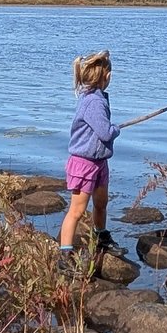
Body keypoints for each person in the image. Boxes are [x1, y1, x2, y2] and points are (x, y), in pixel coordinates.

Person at [56, 51, 119, 265]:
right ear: (105, 76)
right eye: (110, 73)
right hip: (84, 163)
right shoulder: (94, 102)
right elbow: (105, 132)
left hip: (99, 161)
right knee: (77, 210)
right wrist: (116, 130)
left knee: (101, 203)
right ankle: (65, 253)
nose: (111, 77)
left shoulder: (97, 97)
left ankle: (100, 235)